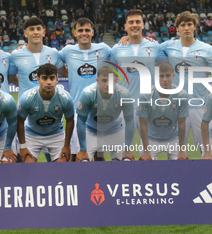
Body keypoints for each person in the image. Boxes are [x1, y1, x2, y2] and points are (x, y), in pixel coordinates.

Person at [159, 11, 212, 152]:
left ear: (195, 27)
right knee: (175, 150)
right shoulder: (167, 46)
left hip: (200, 106)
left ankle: (206, 174)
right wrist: (127, 38)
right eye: (182, 25)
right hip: (176, 106)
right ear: (177, 28)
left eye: (189, 24)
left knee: (206, 149)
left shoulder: (206, 49)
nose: (186, 28)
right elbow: (147, 46)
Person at [9, 17, 65, 162]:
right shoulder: (16, 55)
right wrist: (26, 88)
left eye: (38, 29)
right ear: (25, 33)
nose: (35, 32)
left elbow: (64, 72)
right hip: (26, 114)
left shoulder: (54, 53)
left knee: (55, 163)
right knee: (25, 163)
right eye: (31, 29)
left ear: (44, 32)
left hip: (51, 112)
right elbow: (10, 77)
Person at [58, 17, 112, 160]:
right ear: (74, 33)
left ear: (92, 32)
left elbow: (121, 54)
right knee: (76, 156)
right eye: (80, 30)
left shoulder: (104, 49)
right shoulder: (67, 51)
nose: (84, 33)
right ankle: (77, 182)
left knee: (99, 156)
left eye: (87, 30)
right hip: (77, 109)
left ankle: (100, 182)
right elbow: (56, 64)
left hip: (99, 109)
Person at [113, 9, 165, 143]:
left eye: (138, 22)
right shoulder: (116, 49)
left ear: (143, 25)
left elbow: (167, 69)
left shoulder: (155, 46)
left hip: (149, 106)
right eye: (131, 22)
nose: (134, 25)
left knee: (149, 152)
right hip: (124, 107)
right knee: (122, 151)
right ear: (125, 26)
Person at [17, 63, 74, 163]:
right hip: (32, 135)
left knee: (62, 169)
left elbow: (69, 120)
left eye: (52, 78)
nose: (49, 82)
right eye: (44, 78)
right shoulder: (27, 98)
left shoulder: (65, 98)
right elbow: (19, 121)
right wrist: (22, 146)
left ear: (57, 80)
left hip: (56, 134)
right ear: (38, 80)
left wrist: (66, 145)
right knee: (27, 168)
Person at [76, 66, 135, 162]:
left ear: (116, 80)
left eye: (111, 81)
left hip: (114, 130)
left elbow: (130, 121)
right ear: (97, 80)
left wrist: (127, 148)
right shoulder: (87, 93)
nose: (107, 84)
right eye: (104, 80)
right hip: (91, 131)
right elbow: (81, 121)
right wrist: (82, 149)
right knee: (82, 162)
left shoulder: (124, 94)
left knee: (127, 161)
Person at [137, 62, 189, 160]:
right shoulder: (145, 95)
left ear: (173, 76)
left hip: (173, 139)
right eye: (161, 76)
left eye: (168, 76)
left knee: (180, 170)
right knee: (145, 170)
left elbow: (182, 123)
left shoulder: (181, 95)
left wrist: (182, 149)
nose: (165, 79)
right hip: (151, 139)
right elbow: (143, 125)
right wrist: (146, 150)